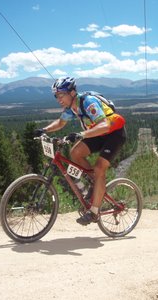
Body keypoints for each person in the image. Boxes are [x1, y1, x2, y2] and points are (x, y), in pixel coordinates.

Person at [34, 77, 126, 225]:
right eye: (56, 96)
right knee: (75, 153)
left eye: (61, 95)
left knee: (99, 168)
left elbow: (104, 125)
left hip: (113, 134)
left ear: (72, 93)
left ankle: (94, 211)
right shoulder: (72, 107)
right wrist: (44, 130)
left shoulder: (88, 102)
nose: (58, 99)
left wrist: (81, 134)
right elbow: (61, 122)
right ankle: (94, 182)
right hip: (97, 134)